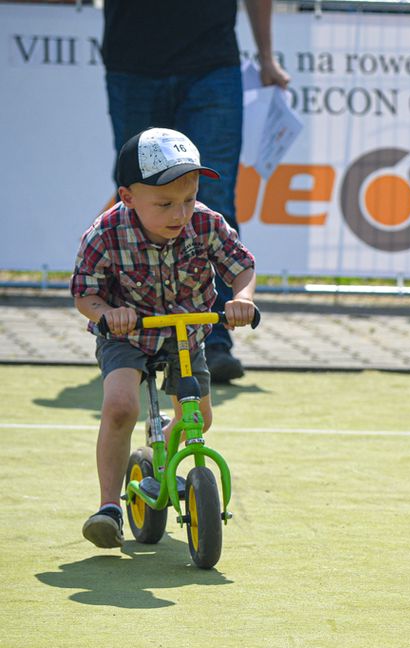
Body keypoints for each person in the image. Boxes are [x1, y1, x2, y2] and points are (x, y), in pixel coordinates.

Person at [72, 128, 257, 548]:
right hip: (128, 334)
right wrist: (108, 313)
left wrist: (242, 298)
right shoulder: (105, 233)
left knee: (200, 418)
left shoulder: (206, 224)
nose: (180, 214)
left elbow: (241, 266)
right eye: (165, 204)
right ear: (127, 196)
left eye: (188, 200)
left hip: (185, 333)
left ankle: (162, 460)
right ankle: (109, 509)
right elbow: (85, 293)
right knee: (120, 406)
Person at [101, 0, 289, 383]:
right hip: (132, 61)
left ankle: (213, 340)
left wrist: (266, 56)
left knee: (210, 201)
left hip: (213, 63)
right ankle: (131, 339)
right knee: (142, 198)